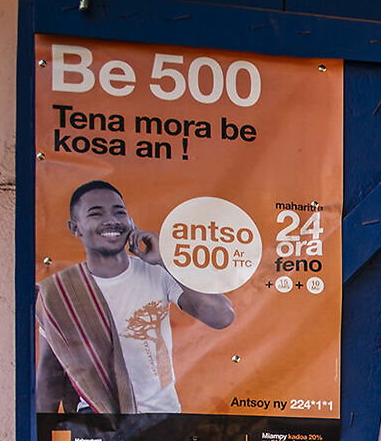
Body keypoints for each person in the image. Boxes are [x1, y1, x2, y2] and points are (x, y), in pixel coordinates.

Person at [36, 179, 234, 418]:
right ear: (75, 227)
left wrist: (166, 260)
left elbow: (222, 316)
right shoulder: (59, 291)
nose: (112, 220)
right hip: (98, 425)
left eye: (120, 212)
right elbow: (50, 373)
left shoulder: (159, 271)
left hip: (161, 423)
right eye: (96, 214)